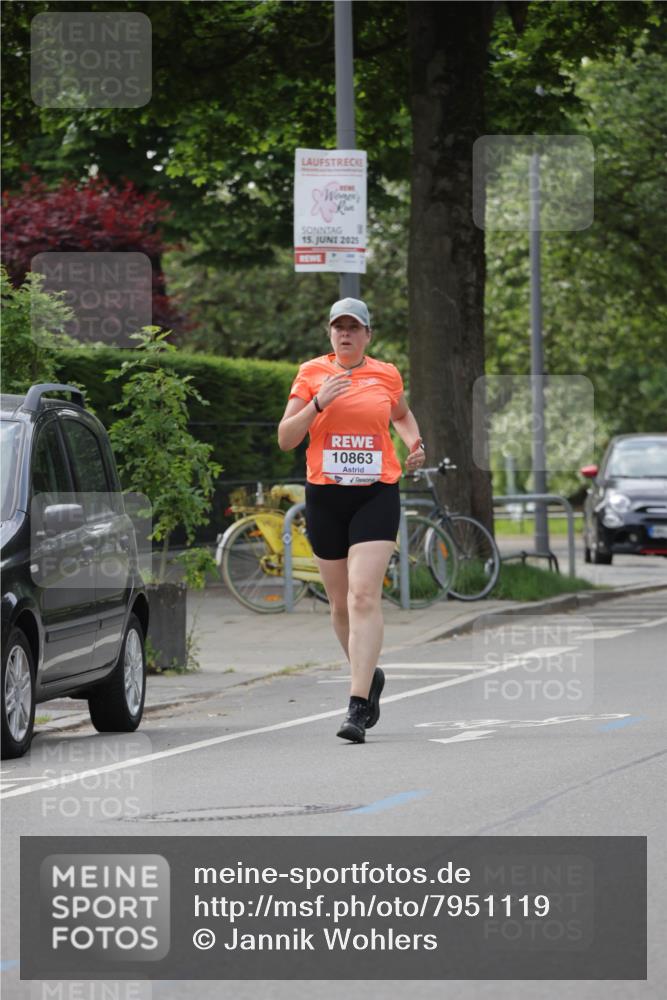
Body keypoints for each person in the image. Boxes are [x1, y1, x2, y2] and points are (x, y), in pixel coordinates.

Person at [278, 297, 425, 743]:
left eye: (354, 327)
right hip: (325, 495)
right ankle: (369, 675)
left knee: (364, 597)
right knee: (340, 604)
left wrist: (415, 442)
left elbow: (400, 414)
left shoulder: (386, 374)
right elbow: (286, 439)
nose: (345, 334)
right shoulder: (311, 374)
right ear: (329, 334)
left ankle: (357, 706)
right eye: (338, 327)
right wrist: (318, 403)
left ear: (367, 335)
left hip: (376, 492)